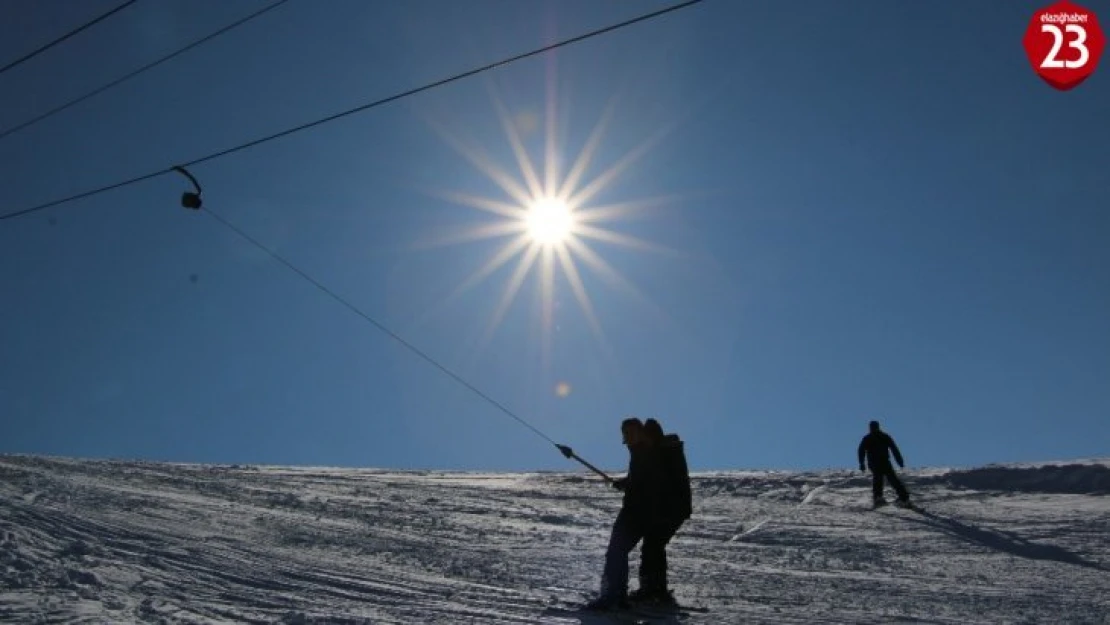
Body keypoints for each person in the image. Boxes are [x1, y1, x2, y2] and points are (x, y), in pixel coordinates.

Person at [586, 417, 664, 611]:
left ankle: (612, 596)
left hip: (636, 512)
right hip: (641, 511)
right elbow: (639, 479)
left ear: (639, 432)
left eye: (629, 432)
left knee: (616, 552)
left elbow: (646, 482)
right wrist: (624, 483)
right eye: (624, 433)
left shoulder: (645, 452)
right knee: (618, 552)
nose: (626, 437)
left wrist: (628, 486)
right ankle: (618, 595)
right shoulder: (642, 451)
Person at [631, 418, 691, 607]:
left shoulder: (664, 452)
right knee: (654, 545)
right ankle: (657, 588)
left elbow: (655, 479)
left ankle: (651, 589)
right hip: (672, 508)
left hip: (670, 508)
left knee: (652, 545)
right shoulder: (664, 450)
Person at [857, 420, 911, 507]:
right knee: (890, 478)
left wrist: (862, 463)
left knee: (881, 478)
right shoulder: (883, 436)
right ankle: (903, 497)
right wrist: (899, 461)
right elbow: (894, 449)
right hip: (882, 461)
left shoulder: (869, 438)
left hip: (877, 462)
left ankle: (879, 497)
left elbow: (861, 451)